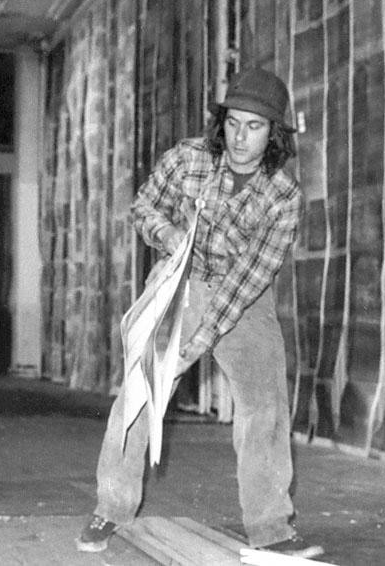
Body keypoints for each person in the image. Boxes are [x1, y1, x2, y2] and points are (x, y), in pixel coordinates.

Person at [75, 67, 323, 560]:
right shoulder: (187, 158)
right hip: (177, 286)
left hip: (244, 300)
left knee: (264, 407)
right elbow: (144, 206)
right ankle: (112, 507)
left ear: (274, 133)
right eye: (233, 123)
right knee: (140, 396)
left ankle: (271, 528)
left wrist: (196, 346)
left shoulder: (284, 198)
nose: (240, 137)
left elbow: (248, 279)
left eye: (254, 127)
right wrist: (167, 236)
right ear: (222, 121)